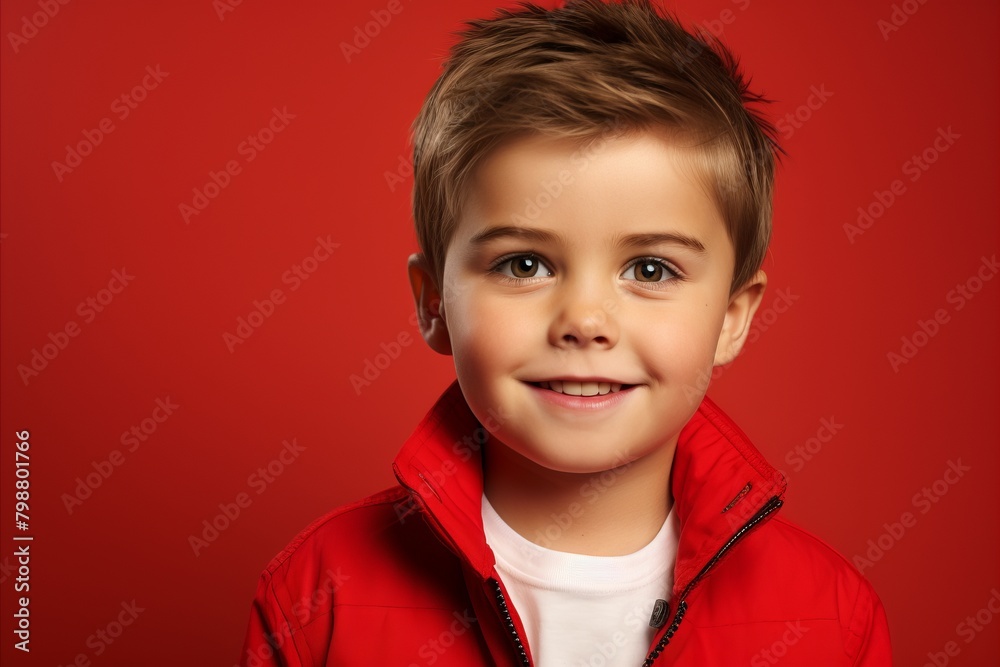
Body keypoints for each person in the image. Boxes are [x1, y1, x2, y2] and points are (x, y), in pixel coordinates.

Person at [239, 1, 892, 664]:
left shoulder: (832, 620)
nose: (584, 320)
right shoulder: (317, 597)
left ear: (732, 316)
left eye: (650, 268)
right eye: (524, 263)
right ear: (434, 301)